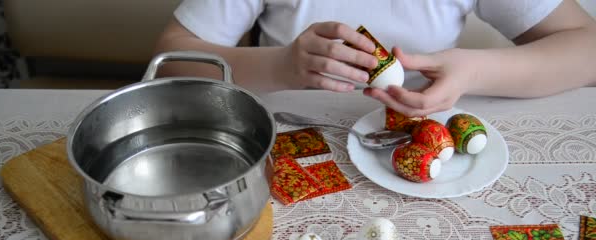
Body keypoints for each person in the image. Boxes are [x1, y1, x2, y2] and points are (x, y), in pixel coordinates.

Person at [154, 0, 596, 116]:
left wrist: (472, 70)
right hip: (286, 148)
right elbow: (168, 59)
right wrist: (281, 66)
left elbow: (588, 48)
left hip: (422, 155)